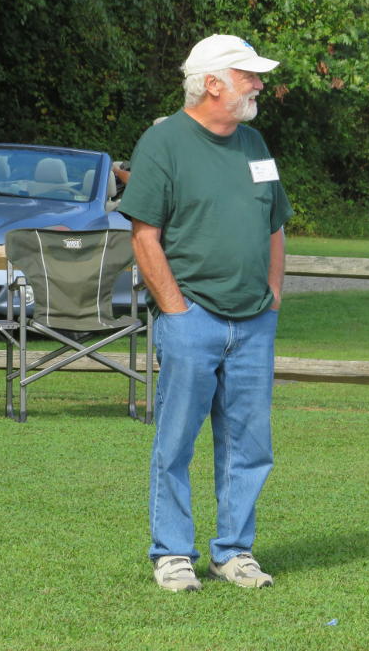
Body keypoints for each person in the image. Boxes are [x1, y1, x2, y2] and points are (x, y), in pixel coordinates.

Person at [118, 34, 293, 593]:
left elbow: (275, 224)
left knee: (250, 444)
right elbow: (145, 235)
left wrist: (272, 293)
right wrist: (176, 309)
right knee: (176, 442)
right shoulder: (163, 142)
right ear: (213, 82)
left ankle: (233, 553)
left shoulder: (255, 143)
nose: (259, 85)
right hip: (192, 320)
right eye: (249, 76)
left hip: (253, 322)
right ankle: (172, 554)